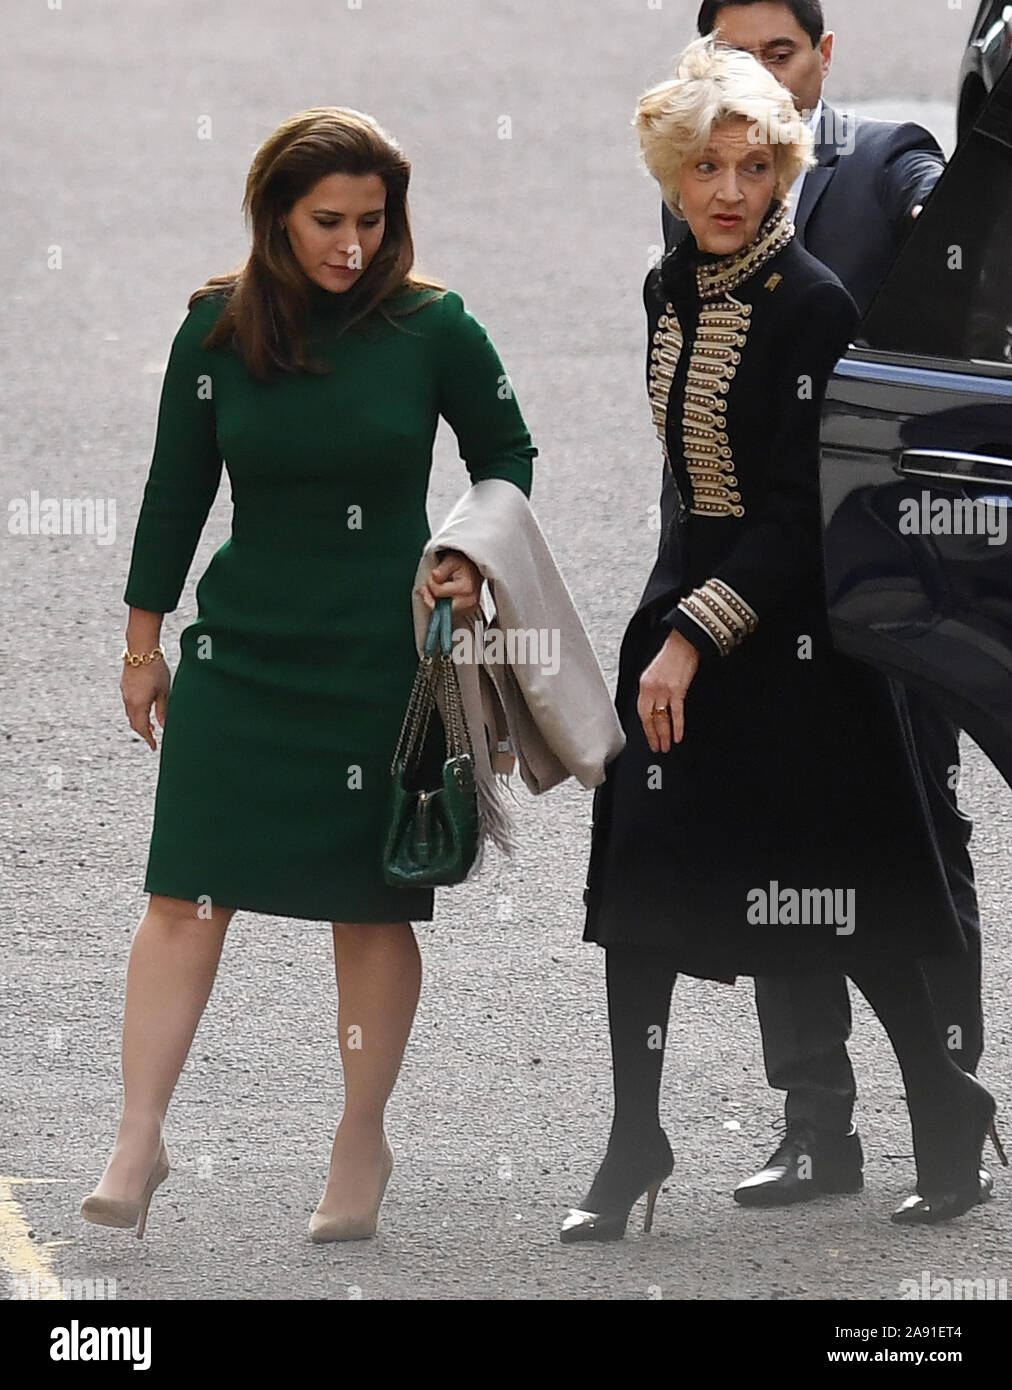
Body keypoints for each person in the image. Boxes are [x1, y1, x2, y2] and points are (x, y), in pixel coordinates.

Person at [565, 35, 997, 1243]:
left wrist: (693, 637)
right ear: (670, 168)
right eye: (705, 167)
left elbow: (798, 509)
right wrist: (661, 624)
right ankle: (634, 1135)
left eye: (754, 169)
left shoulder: (814, 304)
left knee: (845, 911)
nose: (728, 193)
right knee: (637, 887)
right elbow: (690, 486)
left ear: (785, 173)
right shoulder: (668, 288)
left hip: (801, 645)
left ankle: (942, 1104)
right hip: (684, 619)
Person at [80, 107, 537, 1244]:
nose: (352, 246)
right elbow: (173, 491)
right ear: (273, 218)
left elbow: (506, 457)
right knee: (184, 893)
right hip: (242, 655)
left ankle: (358, 1137)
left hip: (379, 658)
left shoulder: (435, 329)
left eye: (372, 223)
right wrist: (143, 643)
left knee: (367, 912)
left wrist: (464, 558)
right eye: (327, 222)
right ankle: (138, 1136)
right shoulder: (215, 332)